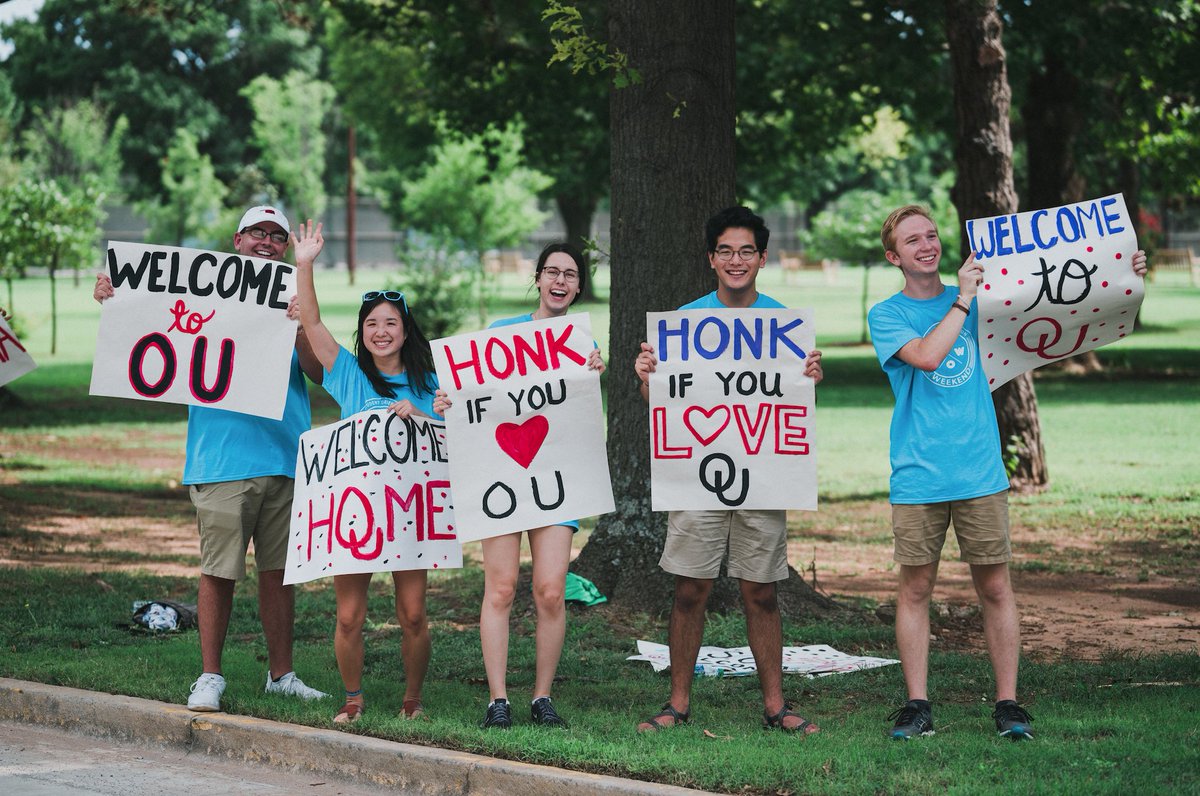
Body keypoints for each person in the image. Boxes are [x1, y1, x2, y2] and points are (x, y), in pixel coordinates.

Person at [868, 205, 1148, 741]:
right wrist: (964, 298)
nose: (926, 245)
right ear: (893, 256)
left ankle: (1008, 704)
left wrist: (1125, 276)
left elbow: (1066, 301)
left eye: (931, 235)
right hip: (919, 472)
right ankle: (917, 705)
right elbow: (927, 356)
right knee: (915, 589)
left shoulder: (984, 297)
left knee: (995, 587)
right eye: (911, 241)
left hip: (980, 471)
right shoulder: (890, 314)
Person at [94, 205, 329, 712]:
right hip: (221, 459)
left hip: (285, 457)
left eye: (276, 235)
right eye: (256, 233)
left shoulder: (294, 293)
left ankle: (281, 674)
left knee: (278, 573)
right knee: (218, 571)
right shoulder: (202, 289)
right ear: (237, 240)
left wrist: (301, 324)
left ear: (286, 246)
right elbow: (146, 318)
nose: (266, 242)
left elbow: (316, 370)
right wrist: (116, 298)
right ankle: (210, 676)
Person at [633, 206, 824, 735]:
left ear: (762, 258)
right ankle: (677, 703)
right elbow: (662, 401)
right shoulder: (685, 322)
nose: (735, 260)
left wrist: (809, 378)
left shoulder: (783, 324)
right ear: (710, 258)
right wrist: (645, 376)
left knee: (761, 589)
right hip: (696, 475)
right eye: (725, 250)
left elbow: (789, 405)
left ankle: (775, 706)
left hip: (762, 474)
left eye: (746, 251)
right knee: (690, 588)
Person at [433, 243, 606, 730]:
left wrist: (593, 376)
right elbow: (468, 397)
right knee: (502, 587)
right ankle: (498, 700)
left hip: (555, 479)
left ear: (578, 286)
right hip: (501, 477)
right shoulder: (501, 333)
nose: (560, 280)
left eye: (570, 274)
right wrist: (448, 399)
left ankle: (542, 697)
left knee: (551, 591)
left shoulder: (581, 346)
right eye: (552, 271)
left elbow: (578, 418)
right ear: (537, 277)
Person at [291, 220, 441, 725]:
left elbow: (458, 434)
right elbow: (310, 324)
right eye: (372, 324)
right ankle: (352, 699)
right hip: (356, 516)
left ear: (405, 330)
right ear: (364, 332)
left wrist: (421, 414)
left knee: (413, 614)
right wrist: (305, 264)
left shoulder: (431, 382)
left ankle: (414, 701)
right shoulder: (350, 376)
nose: (381, 331)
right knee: (350, 615)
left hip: (411, 515)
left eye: (391, 323)